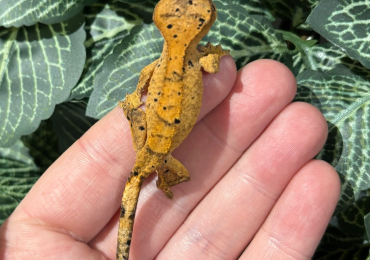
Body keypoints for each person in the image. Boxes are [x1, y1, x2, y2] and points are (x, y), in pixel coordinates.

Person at [0, 57, 340, 259]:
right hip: (157, 149)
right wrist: (214, 54)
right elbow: (209, 64)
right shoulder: (198, 60)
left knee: (144, 171)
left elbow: (147, 76)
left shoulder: (163, 60)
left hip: (150, 139)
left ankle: (163, 173)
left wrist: (135, 98)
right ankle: (166, 177)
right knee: (155, 173)